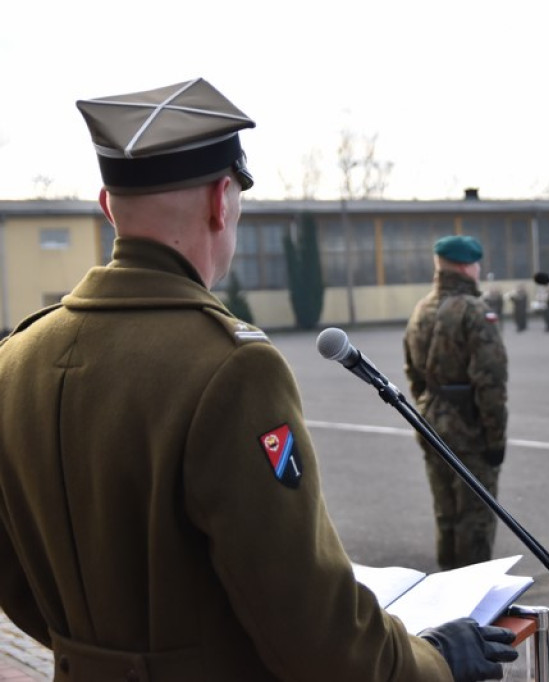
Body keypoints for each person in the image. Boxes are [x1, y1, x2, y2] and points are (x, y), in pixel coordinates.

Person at [0, 79, 515, 682]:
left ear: (108, 207)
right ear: (221, 200)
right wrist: (433, 659)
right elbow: (312, 627)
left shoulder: (15, 359)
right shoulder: (230, 367)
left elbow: (14, 579)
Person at [404, 235, 509, 573]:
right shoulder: (474, 310)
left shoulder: (421, 310)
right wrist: (495, 439)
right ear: (466, 266)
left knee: (446, 514)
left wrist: (431, 409)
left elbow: (413, 373)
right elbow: (490, 382)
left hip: (431, 422)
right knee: (475, 520)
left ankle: (447, 591)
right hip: (469, 428)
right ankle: (474, 596)